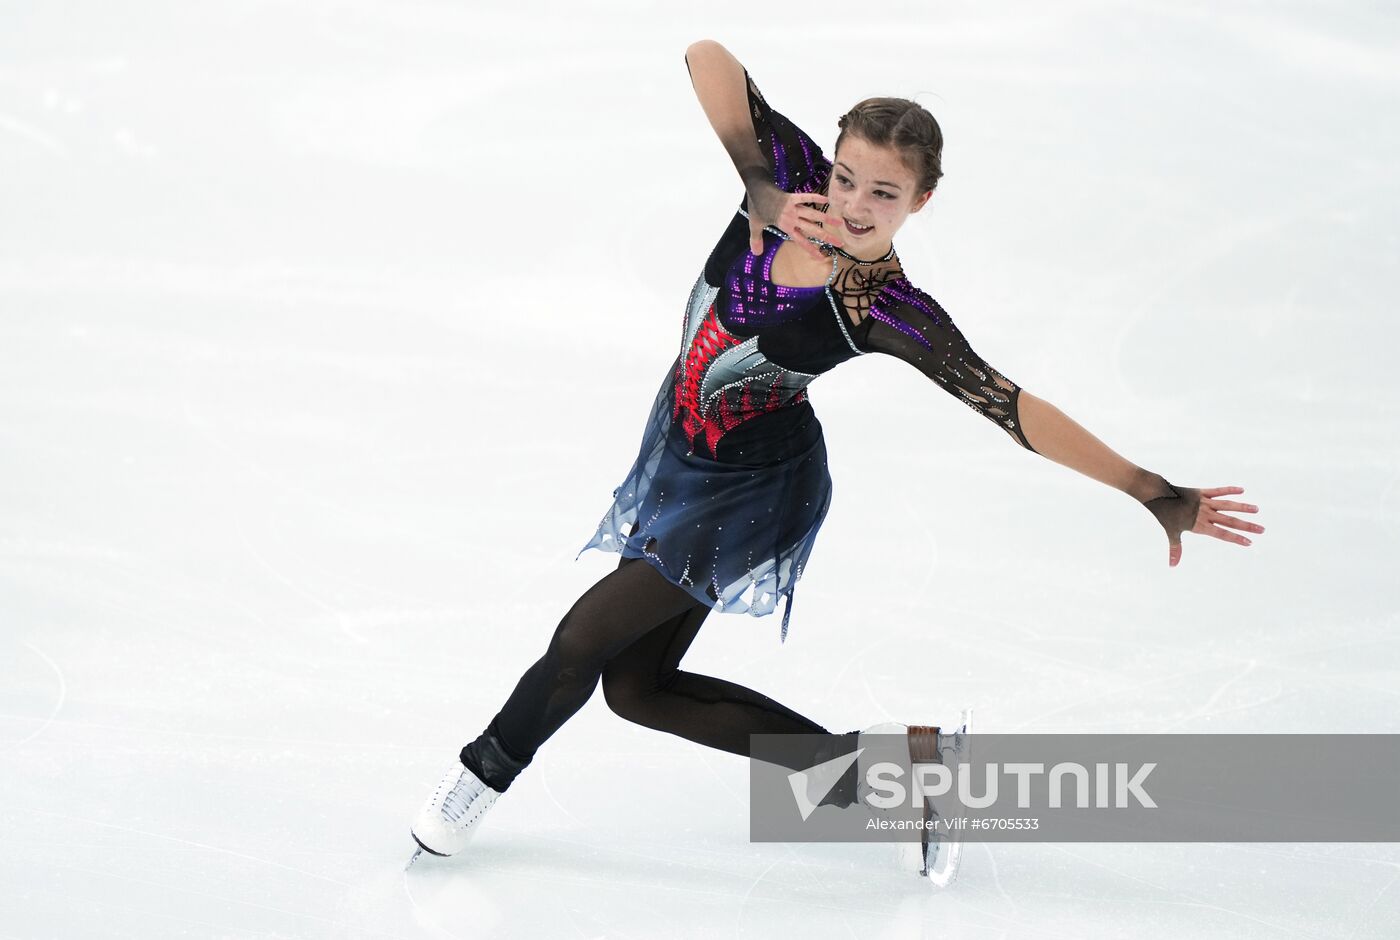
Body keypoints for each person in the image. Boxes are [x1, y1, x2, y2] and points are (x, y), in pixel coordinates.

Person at [406, 39, 1264, 869]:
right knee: (638, 692)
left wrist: (1150, 488)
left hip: (750, 491)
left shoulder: (883, 306)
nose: (853, 205)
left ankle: (478, 778)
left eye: (883, 194)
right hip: (681, 452)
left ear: (920, 203)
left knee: (579, 642)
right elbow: (705, 54)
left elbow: (1012, 407)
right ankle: (907, 781)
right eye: (847, 177)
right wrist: (759, 187)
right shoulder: (789, 178)